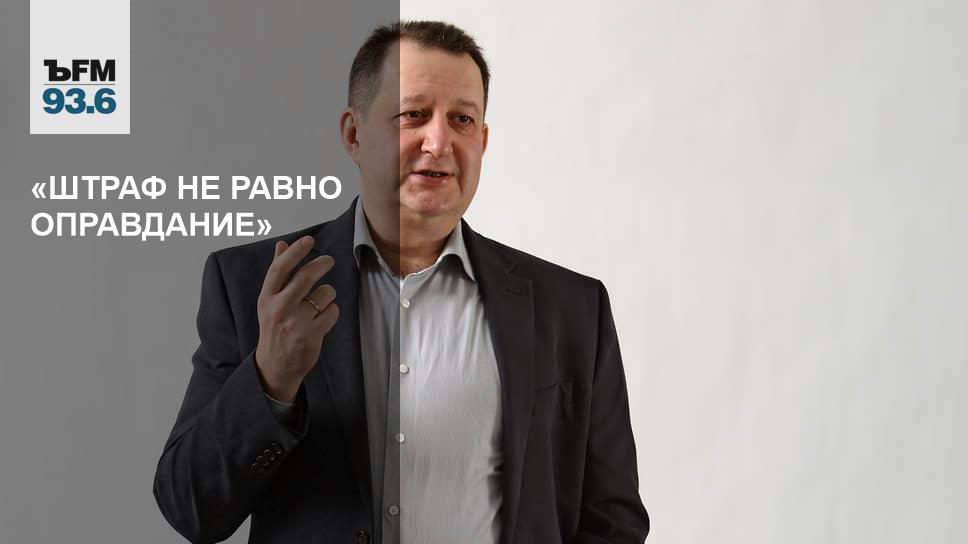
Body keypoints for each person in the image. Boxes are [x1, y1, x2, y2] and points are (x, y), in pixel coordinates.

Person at [153, 20, 649, 544]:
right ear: (354, 134)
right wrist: (270, 378)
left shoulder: (571, 308)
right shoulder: (255, 285)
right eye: (413, 114)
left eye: (462, 120)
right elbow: (191, 510)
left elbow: (613, 522)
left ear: (482, 142)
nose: (439, 141)